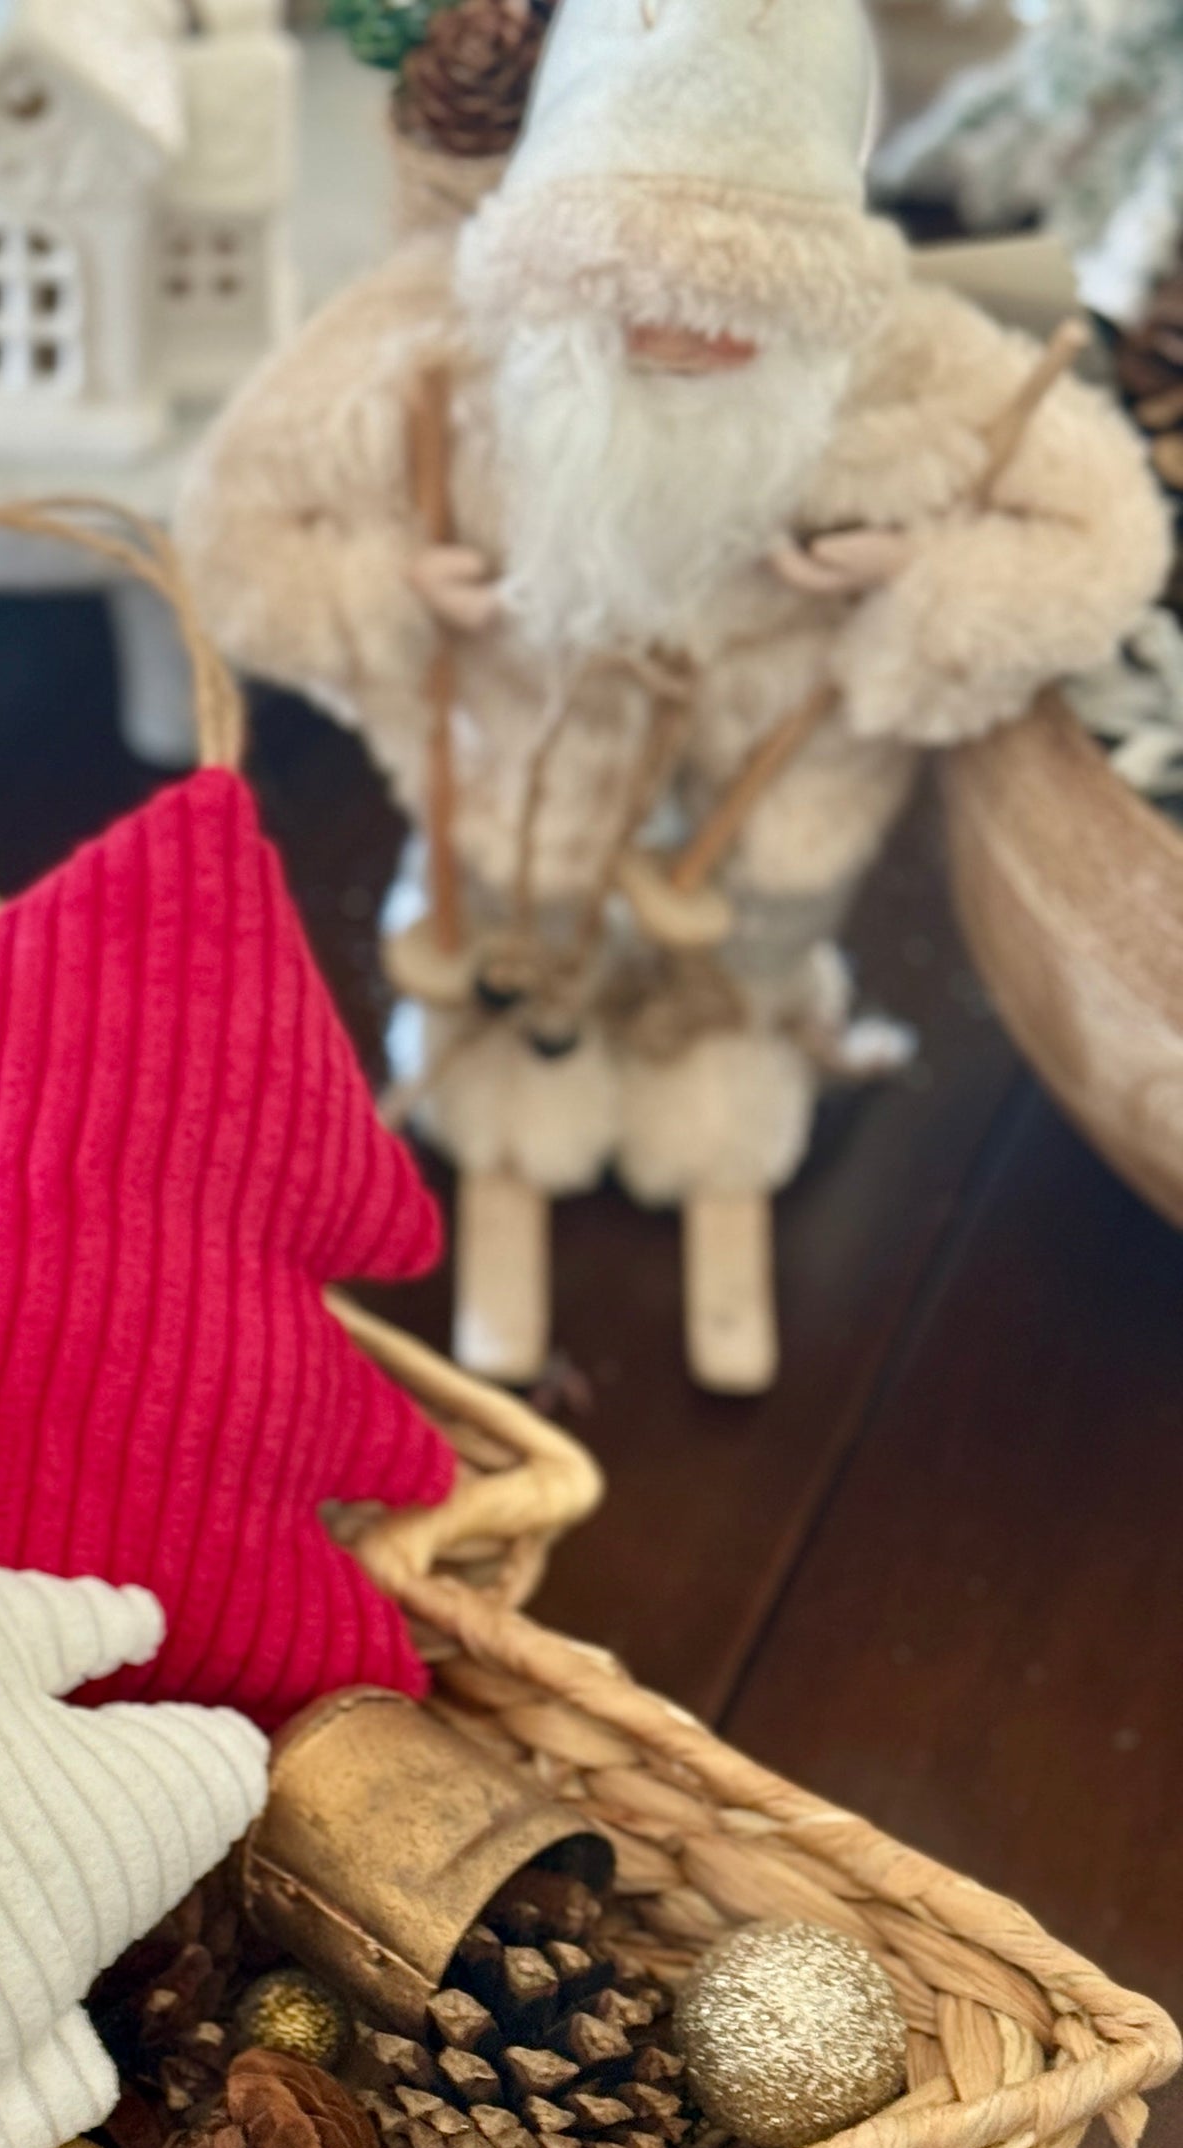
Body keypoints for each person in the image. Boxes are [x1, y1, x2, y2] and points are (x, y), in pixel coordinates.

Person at [177, 0, 1170, 1389]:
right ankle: (511, 1080)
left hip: (774, 763)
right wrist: (394, 589)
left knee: (754, 927)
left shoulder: (915, 367)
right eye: (626, 300)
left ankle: (719, 1080)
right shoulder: (438, 338)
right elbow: (238, 521)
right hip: (525, 743)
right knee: (515, 907)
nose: (679, 335)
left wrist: (920, 579)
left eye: (735, 310)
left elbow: (1102, 540)